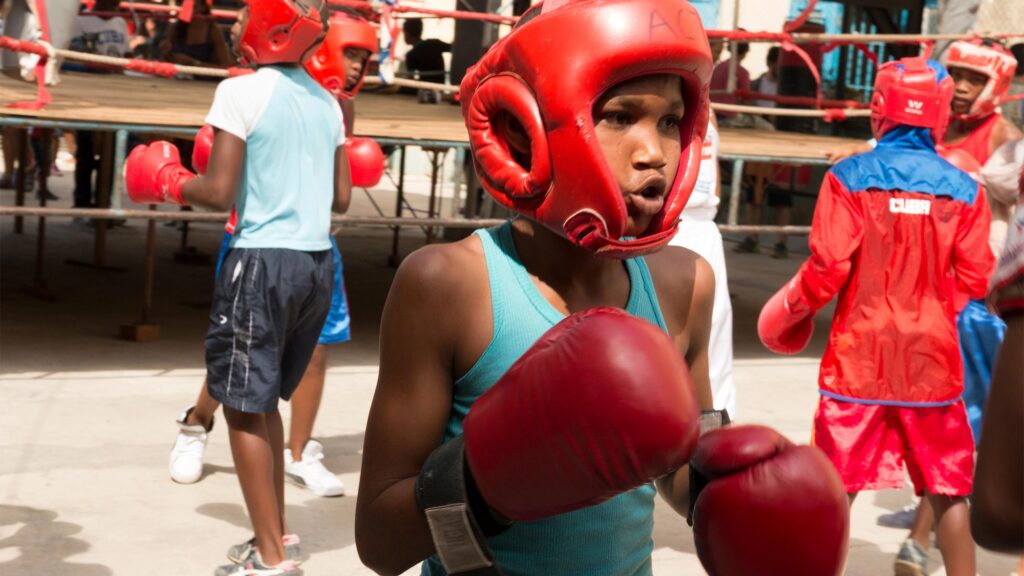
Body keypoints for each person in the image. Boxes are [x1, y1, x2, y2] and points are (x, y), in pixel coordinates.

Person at [355, 2, 849, 576]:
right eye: (620, 116)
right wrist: (490, 478)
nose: (655, 153)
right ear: (524, 127)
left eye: (669, 121)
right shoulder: (449, 284)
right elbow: (379, 541)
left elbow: (682, 471)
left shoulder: (684, 283)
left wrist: (746, 500)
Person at [124, 1, 347, 574]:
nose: (237, 22)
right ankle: (276, 536)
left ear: (271, 30)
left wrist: (170, 179)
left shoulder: (240, 92)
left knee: (244, 413)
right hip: (317, 264)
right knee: (262, 403)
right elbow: (341, 199)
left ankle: (272, 560)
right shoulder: (328, 102)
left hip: (261, 264)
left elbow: (218, 192)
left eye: (247, 14)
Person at [759, 57, 994, 576]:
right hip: (932, 362)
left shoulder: (846, 177)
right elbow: (976, 278)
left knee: (836, 486)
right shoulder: (966, 188)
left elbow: (827, 268)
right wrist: (931, 313)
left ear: (880, 109)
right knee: (948, 489)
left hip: (857, 358)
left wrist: (790, 314)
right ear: (940, 112)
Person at [170, 7, 379, 506]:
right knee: (245, 368)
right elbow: (227, 187)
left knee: (303, 358)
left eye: (364, 57)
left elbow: (337, 196)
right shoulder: (253, 90)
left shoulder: (331, 105)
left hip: (315, 246)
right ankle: (197, 423)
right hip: (261, 244)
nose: (356, 67)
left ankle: (298, 455)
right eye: (350, 53)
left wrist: (170, 182)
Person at [668, 115, 736, 419]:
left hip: (693, 226)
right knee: (687, 336)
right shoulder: (680, 104)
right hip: (682, 225)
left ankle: (713, 423)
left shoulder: (699, 109)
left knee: (706, 333)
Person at [159, 0, 234, 68]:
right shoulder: (175, 27)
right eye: (186, 8)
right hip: (177, 79)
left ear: (203, 7)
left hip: (203, 80)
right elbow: (166, 61)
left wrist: (193, 63)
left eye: (193, 7)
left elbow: (225, 66)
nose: (189, 12)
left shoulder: (213, 30)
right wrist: (165, 53)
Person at [400, 17, 449, 97]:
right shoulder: (435, 43)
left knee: (400, 88)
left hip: (426, 90)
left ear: (407, 34)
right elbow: (454, 48)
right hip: (440, 87)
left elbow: (410, 78)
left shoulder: (411, 54)